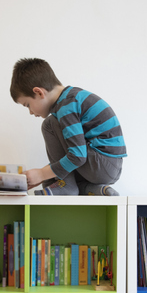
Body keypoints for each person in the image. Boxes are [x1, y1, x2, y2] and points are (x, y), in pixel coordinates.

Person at [10, 58, 126, 196]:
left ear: (39, 92)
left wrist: (41, 174)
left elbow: (77, 156)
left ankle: (66, 187)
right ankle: (94, 190)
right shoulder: (72, 98)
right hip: (108, 166)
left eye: (27, 105)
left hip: (101, 163)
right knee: (53, 178)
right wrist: (44, 176)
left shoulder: (66, 107)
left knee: (50, 124)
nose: (30, 112)